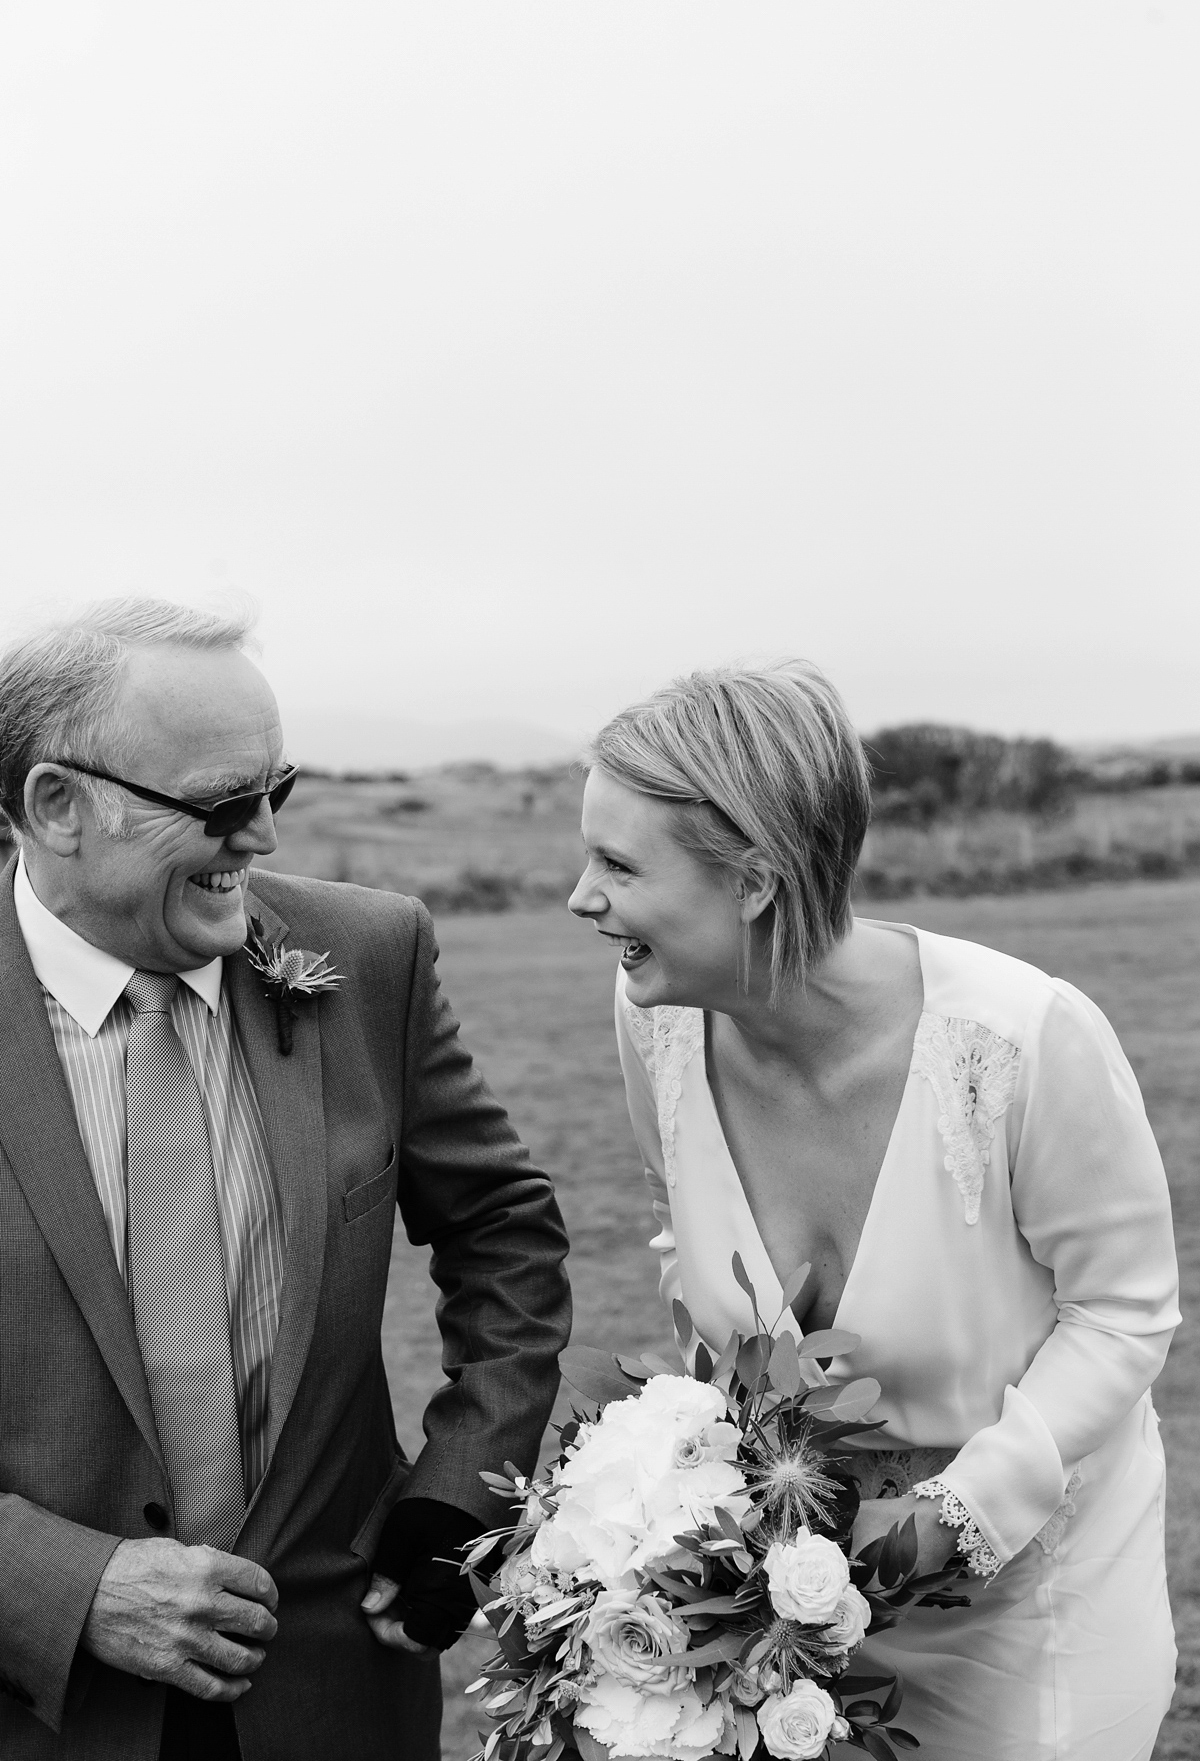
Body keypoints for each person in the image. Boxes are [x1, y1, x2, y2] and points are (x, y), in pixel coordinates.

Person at [568, 659, 1179, 1761]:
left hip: (1035, 1603)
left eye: (617, 863)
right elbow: (678, 1223)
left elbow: (1123, 1314)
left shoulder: (1023, 1041)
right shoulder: (654, 1015)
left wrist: (954, 1519)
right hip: (800, 1585)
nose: (581, 897)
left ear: (754, 879)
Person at [0, 598, 572, 1761]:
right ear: (58, 807)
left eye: (280, 790)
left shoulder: (369, 955)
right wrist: (59, 1584)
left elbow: (504, 1229)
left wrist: (458, 1486)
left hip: (332, 1694)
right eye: (222, 805)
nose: (263, 839)